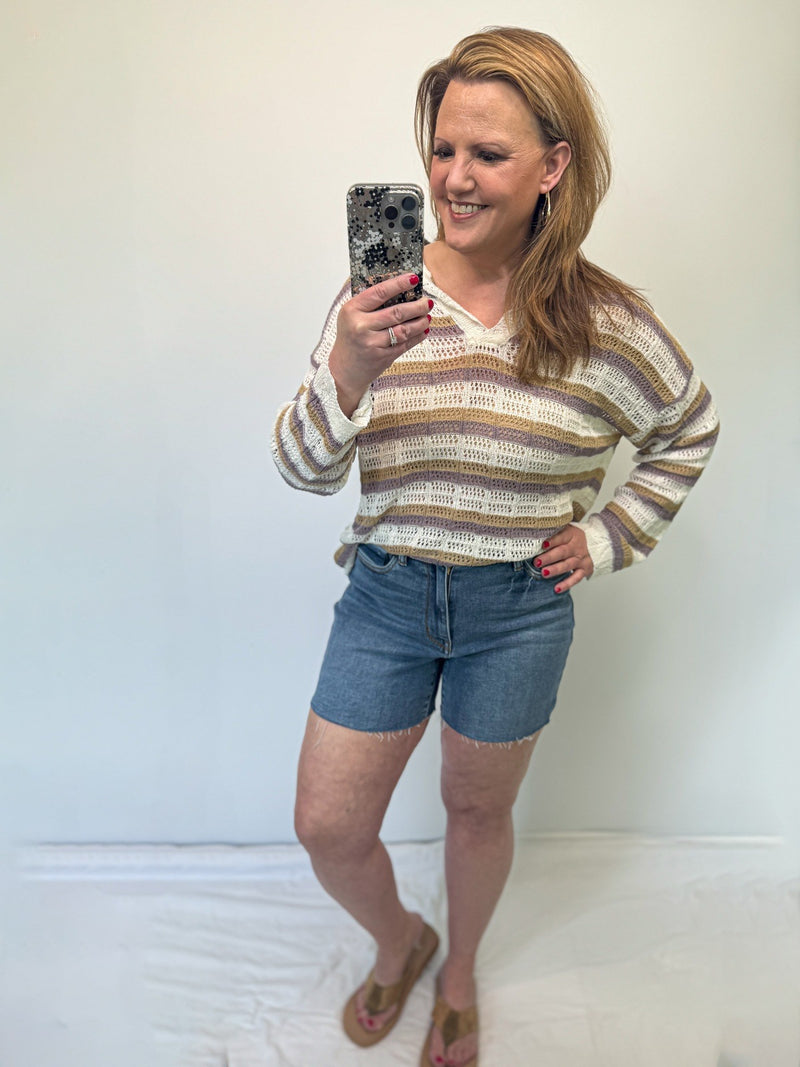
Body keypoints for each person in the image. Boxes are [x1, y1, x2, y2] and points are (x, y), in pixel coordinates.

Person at [271, 26, 719, 1067]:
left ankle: (460, 970)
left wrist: (608, 534)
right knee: (328, 824)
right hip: (386, 598)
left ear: (552, 166)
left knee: (477, 811)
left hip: (516, 609)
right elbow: (301, 468)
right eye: (442, 149)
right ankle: (402, 941)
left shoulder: (604, 320)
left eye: (487, 153)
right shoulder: (378, 300)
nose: (453, 178)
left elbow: (687, 427)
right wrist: (347, 367)